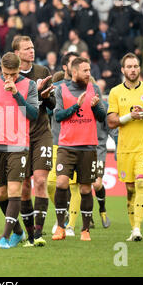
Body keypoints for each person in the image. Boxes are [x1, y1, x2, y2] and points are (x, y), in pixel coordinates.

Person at [0, 52, 39, 249]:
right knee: (1, 194)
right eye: (5, 73)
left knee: (15, 191)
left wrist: (16, 93)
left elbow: (33, 114)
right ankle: (18, 232)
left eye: (13, 74)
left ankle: (4, 237)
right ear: (1, 70)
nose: (9, 78)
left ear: (19, 68)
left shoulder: (29, 86)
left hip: (18, 146)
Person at [107, 53, 143, 242]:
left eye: (136, 66)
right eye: (129, 67)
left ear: (139, 68)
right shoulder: (115, 92)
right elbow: (112, 122)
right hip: (124, 148)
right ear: (123, 70)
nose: (133, 70)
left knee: (141, 183)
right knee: (130, 189)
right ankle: (134, 228)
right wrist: (129, 116)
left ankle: (138, 228)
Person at [52, 57, 106, 242]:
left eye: (89, 70)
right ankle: (60, 227)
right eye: (84, 70)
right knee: (61, 183)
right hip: (67, 146)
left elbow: (101, 117)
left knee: (85, 189)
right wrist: (76, 105)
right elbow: (58, 116)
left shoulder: (94, 89)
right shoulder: (62, 90)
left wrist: (96, 106)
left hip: (88, 146)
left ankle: (85, 230)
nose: (88, 73)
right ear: (74, 72)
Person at [12, 36, 54, 247]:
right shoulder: (12, 75)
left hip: (41, 133)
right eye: (27, 48)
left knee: (40, 180)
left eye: (32, 47)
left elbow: (53, 104)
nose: (31, 51)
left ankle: (38, 233)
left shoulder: (43, 72)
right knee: (25, 186)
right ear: (17, 53)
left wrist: (45, 96)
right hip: (19, 135)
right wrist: (34, 93)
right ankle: (29, 233)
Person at [45, 52, 82, 238]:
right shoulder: (56, 87)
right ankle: (63, 211)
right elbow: (46, 110)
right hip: (57, 141)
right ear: (66, 68)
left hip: (79, 143)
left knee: (74, 186)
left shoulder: (87, 88)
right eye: (73, 63)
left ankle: (70, 226)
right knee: (51, 184)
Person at [91, 78, 118, 229]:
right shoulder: (79, 105)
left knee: (96, 183)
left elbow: (113, 129)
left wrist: (118, 145)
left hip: (99, 149)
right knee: (83, 185)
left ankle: (102, 210)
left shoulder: (105, 108)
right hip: (82, 149)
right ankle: (87, 215)